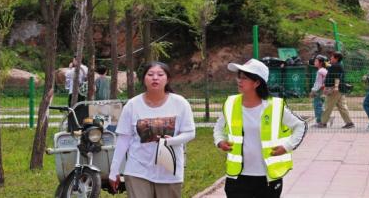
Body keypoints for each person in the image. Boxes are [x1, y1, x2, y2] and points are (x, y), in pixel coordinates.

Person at [214, 58, 307, 198]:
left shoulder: (275, 106)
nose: (239, 81)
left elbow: (300, 125)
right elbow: (218, 127)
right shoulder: (230, 104)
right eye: (239, 77)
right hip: (237, 177)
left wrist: (287, 146)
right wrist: (220, 141)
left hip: (267, 178)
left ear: (257, 83)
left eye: (244, 78)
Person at [108, 62, 194, 198]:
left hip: (169, 170)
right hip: (137, 169)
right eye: (150, 74)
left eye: (160, 75)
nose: (155, 78)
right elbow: (124, 139)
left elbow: (190, 133)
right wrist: (114, 170)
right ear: (143, 79)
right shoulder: (132, 105)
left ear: (167, 79)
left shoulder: (180, 103)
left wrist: (171, 141)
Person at [319, 52, 353, 128]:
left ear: (336, 58)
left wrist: (335, 87)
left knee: (327, 106)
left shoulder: (335, 66)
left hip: (334, 89)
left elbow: (337, 77)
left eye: (332, 57)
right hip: (340, 89)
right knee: (342, 107)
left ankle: (323, 123)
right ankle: (349, 123)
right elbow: (328, 66)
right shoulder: (337, 65)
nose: (330, 58)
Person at [65, 56, 89, 130]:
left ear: (76, 60)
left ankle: (72, 127)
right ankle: (80, 125)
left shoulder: (73, 69)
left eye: (73, 60)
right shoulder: (85, 68)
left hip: (73, 92)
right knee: (81, 109)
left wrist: (69, 68)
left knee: (72, 109)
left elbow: (67, 75)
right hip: (82, 92)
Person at [308, 55, 327, 125]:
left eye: (316, 61)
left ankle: (319, 121)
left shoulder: (320, 71)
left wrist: (313, 91)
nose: (314, 62)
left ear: (321, 63)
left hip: (319, 90)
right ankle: (322, 120)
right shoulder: (323, 70)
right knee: (321, 105)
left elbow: (318, 83)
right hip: (322, 90)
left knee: (317, 105)